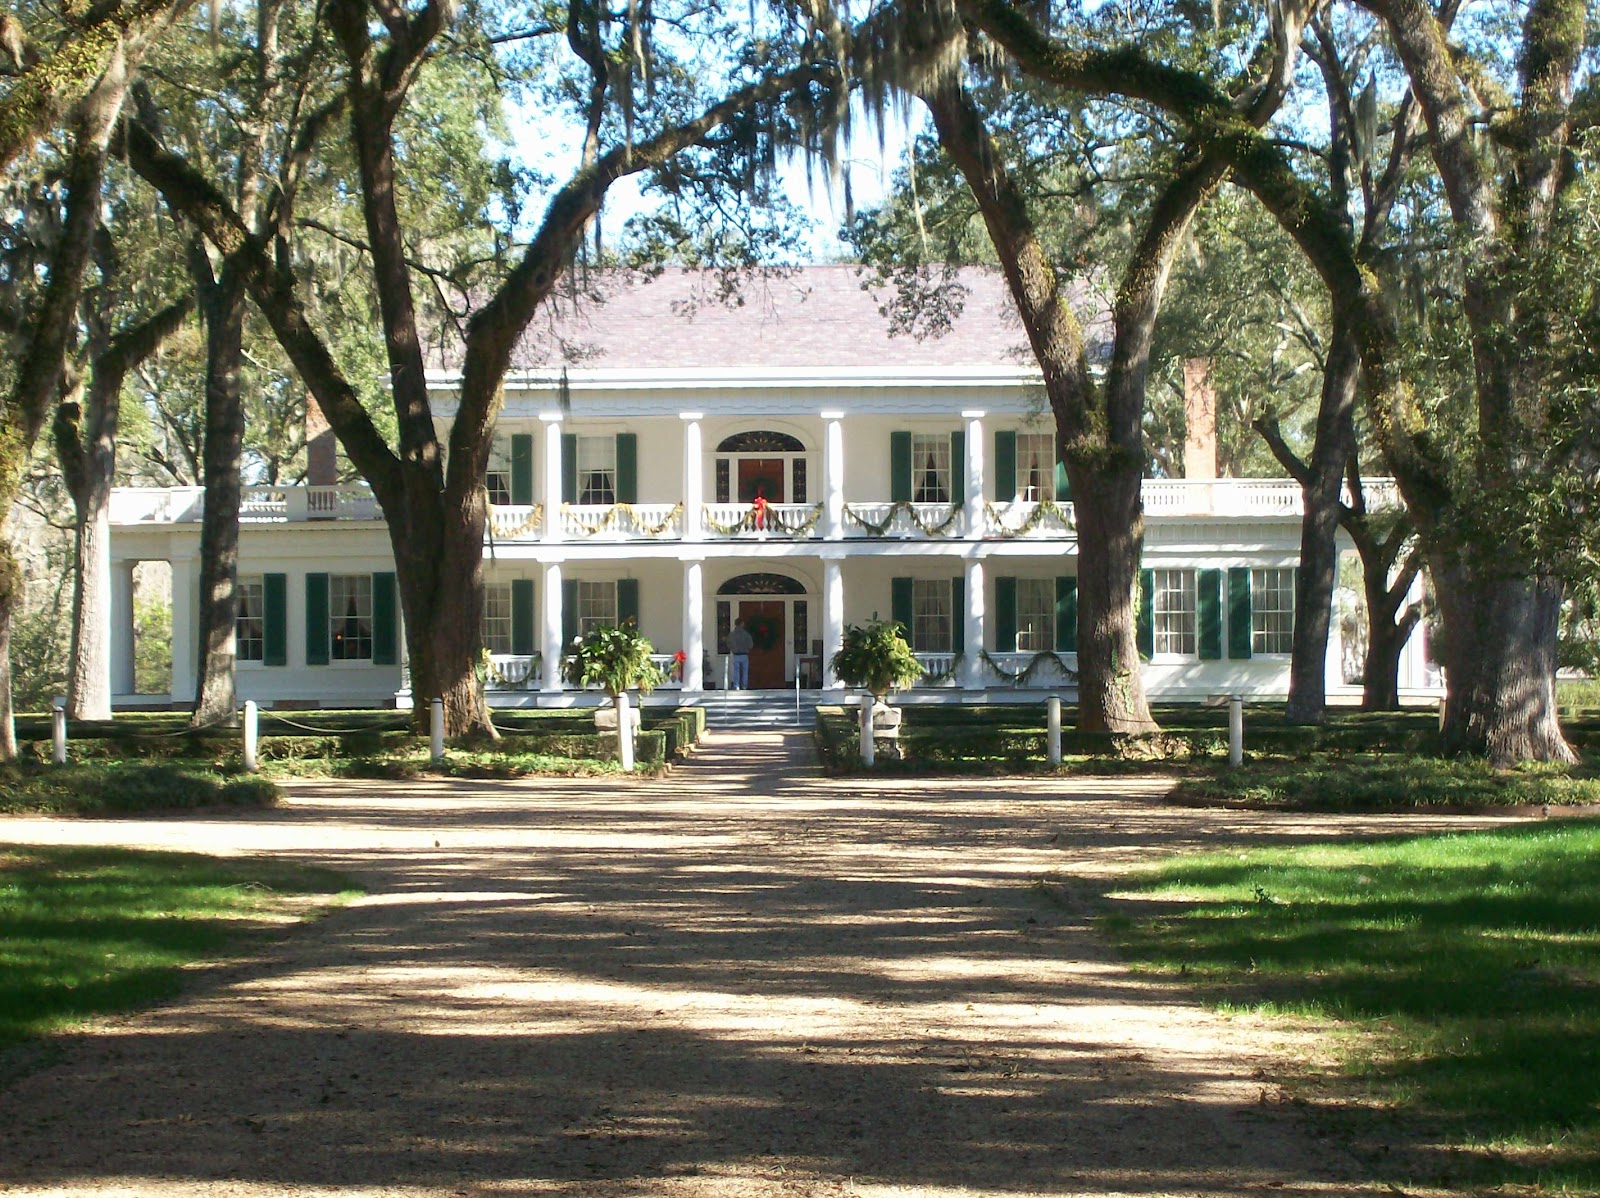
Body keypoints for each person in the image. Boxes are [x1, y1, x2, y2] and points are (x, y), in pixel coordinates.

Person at [728, 617, 754, 689]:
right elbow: (751, 645)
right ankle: (744, 686)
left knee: (736, 671)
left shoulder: (731, 635)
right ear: (742, 624)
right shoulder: (746, 635)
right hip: (744, 654)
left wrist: (733, 648)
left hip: (736, 655)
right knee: (745, 671)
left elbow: (728, 644)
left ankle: (736, 685)